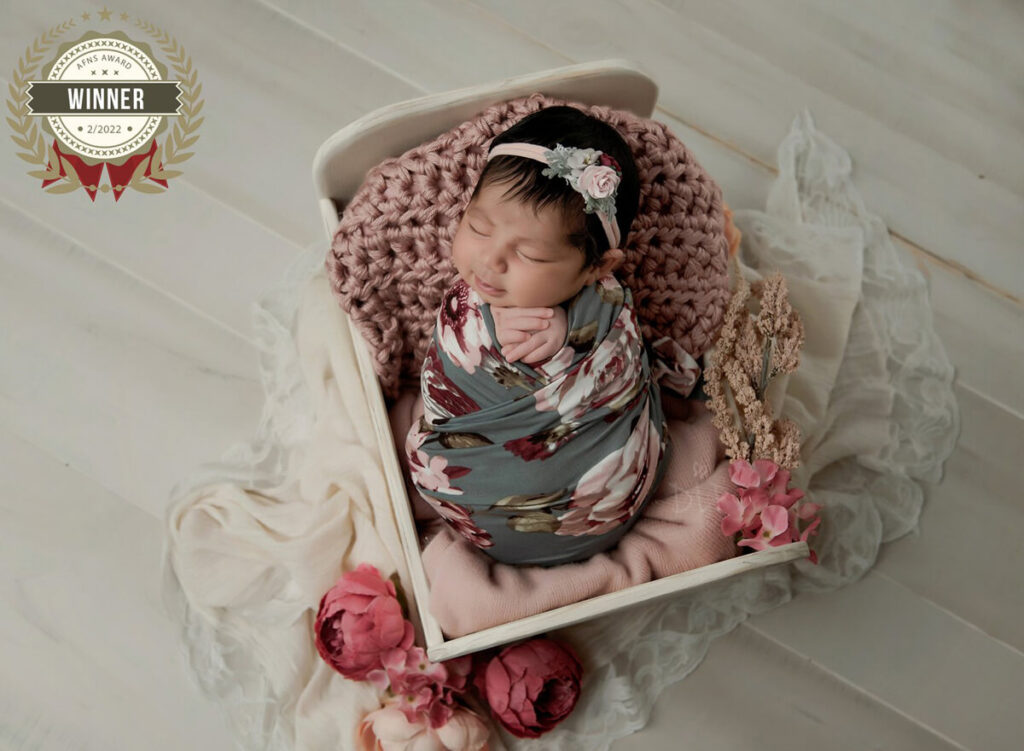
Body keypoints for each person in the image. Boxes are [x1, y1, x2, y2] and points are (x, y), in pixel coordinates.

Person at [404, 106, 680, 566]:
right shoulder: (479, 303)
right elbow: (453, 364)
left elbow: (621, 346)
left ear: (598, 267)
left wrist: (572, 335)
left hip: (578, 504)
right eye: (478, 226)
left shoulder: (607, 298)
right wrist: (487, 331)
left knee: (422, 438)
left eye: (529, 254)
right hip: (599, 510)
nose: (490, 262)